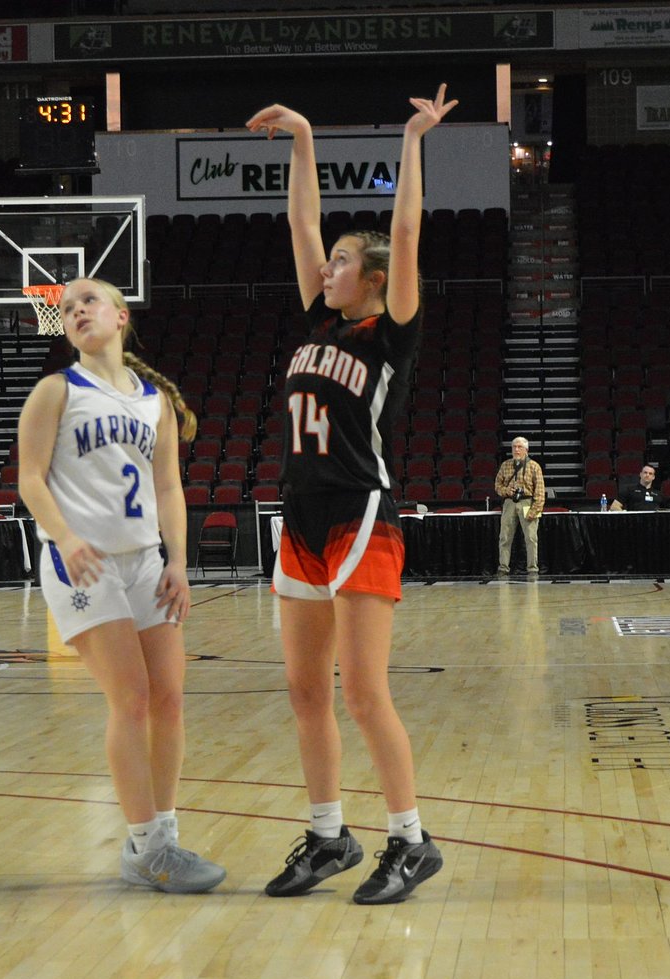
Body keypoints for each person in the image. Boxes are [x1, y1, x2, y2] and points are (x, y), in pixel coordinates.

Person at [244, 84, 455, 905]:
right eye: (327, 260)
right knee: (306, 691)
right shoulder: (319, 323)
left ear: (371, 280)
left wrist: (413, 139)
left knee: (364, 693)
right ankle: (329, 834)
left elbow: (404, 232)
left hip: (362, 512)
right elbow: (302, 223)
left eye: (340, 261)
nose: (325, 266)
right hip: (300, 514)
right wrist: (302, 136)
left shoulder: (390, 331)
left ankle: (411, 840)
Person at [17, 275, 225, 892]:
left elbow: (168, 488)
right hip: (83, 562)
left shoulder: (154, 401)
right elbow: (30, 480)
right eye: (67, 307)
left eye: (89, 300)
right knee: (131, 698)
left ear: (120, 316)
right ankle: (145, 848)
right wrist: (65, 537)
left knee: (169, 699)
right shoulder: (56, 391)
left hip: (145, 562)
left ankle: (164, 837)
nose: (77, 310)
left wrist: (178, 561)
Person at [494, 435, 543, 577]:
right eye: (514, 447)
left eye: (519, 447)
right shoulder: (505, 465)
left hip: (528, 502)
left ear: (526, 450)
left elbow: (540, 492)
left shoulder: (534, 466)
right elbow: (497, 485)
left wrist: (535, 510)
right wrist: (506, 491)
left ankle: (532, 568)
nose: (516, 450)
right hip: (509, 502)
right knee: (504, 537)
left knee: (531, 538)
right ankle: (503, 567)